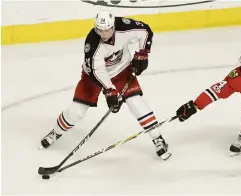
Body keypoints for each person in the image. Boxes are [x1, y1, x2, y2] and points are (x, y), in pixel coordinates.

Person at [40, 10, 171, 160]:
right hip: (93, 77)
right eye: (100, 30)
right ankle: (56, 132)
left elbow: (145, 31)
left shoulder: (124, 26)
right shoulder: (92, 43)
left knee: (136, 103)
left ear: (113, 26)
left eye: (107, 30)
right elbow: (97, 71)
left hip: (122, 71)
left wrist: (143, 52)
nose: (103, 34)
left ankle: (158, 138)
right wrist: (110, 91)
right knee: (77, 111)